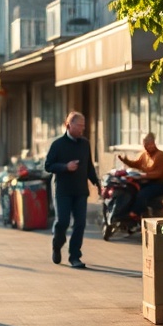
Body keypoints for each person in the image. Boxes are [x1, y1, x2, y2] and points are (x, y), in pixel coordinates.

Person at [44, 111, 100, 269]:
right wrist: (65, 167)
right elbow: (48, 166)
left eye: (84, 126)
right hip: (63, 190)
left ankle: (75, 256)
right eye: (79, 126)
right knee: (63, 221)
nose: (82, 129)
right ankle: (57, 244)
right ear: (69, 125)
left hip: (80, 190)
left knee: (80, 223)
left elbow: (89, 166)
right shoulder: (57, 145)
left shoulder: (85, 144)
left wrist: (96, 183)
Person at [117, 132, 163, 218]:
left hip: (159, 184)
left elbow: (158, 173)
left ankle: (135, 213)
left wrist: (143, 176)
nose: (147, 148)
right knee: (130, 188)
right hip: (146, 182)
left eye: (148, 145)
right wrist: (125, 160)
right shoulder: (144, 154)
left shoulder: (160, 155)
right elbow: (136, 164)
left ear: (152, 143)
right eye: (144, 146)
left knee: (143, 193)